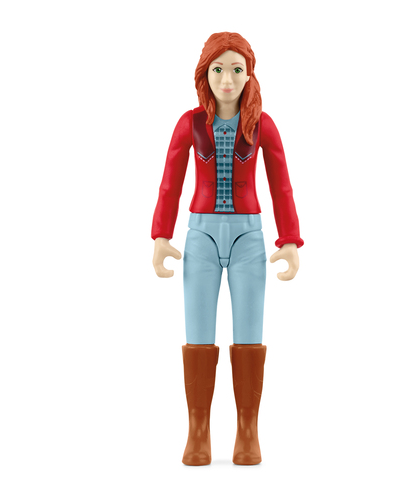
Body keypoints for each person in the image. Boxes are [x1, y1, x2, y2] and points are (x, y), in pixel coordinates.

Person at [151, 32, 303, 466]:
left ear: (249, 74)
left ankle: (247, 431)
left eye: (237, 69)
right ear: (205, 74)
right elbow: (170, 182)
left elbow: (281, 184)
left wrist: (289, 238)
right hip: (200, 236)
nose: (227, 79)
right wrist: (161, 235)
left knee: (249, 335)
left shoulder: (262, 125)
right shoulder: (189, 124)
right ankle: (198, 431)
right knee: (198, 334)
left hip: (248, 238)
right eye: (218, 69)